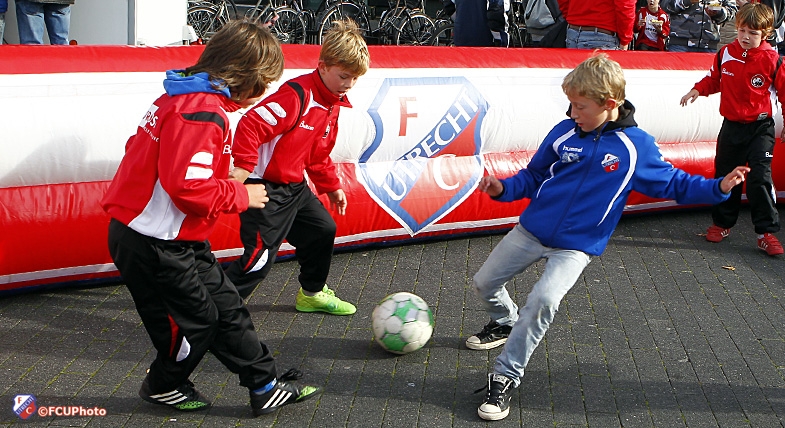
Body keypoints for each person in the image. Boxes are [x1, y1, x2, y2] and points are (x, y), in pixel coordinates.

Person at [466, 53, 751, 421]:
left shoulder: (636, 147)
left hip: (576, 246)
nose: (572, 114)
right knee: (482, 283)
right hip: (531, 230)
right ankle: (504, 319)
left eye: (580, 106)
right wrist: (501, 188)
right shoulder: (564, 130)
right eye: (570, 104)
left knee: (543, 302)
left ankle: (505, 376)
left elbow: (674, 183)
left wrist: (718, 188)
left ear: (610, 104)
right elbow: (533, 175)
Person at [101, 20, 321, 417]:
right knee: (195, 325)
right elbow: (185, 189)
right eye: (264, 83)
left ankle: (264, 385)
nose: (265, 93)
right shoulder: (201, 110)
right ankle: (162, 385)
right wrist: (242, 193)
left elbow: (163, 165)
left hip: (175, 238)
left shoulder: (185, 97)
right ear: (246, 76)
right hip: (153, 243)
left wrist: (223, 178)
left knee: (228, 306)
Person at [225, 19, 369, 315]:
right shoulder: (297, 95)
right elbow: (251, 124)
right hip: (263, 188)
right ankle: (212, 309)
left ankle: (312, 294)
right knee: (258, 260)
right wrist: (243, 169)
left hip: (293, 187)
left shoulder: (332, 102)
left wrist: (331, 186)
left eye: (355, 79)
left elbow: (317, 153)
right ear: (323, 65)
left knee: (322, 230)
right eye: (344, 76)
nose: (349, 85)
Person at [680, 3, 784, 256]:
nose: (746, 37)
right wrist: (697, 90)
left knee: (760, 178)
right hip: (731, 127)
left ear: (766, 34)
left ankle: (765, 233)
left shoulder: (773, 59)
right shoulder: (725, 52)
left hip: (761, 129)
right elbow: (713, 79)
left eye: (753, 33)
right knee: (726, 176)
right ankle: (722, 224)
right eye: (742, 31)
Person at [661, 0, 737, 52]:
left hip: (709, 45)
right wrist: (686, 1)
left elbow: (732, 10)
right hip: (679, 44)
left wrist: (718, 12)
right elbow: (664, 5)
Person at [558, 0, 637, 49]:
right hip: (602, 34)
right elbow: (625, 6)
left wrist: (572, 17)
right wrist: (625, 40)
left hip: (573, 31)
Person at [444, 0, 510, 46]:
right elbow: (496, 10)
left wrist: (461, 22)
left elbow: (449, 6)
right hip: (485, 40)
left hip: (461, 37)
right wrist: (499, 40)